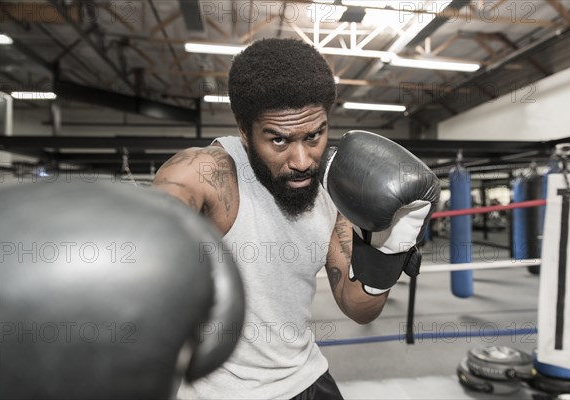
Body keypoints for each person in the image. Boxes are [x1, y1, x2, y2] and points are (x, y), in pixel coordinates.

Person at [153, 38, 439, 400]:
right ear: (244, 129)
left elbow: (358, 308)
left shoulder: (331, 190)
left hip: (307, 377)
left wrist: (392, 247)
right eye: (279, 140)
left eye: (314, 135)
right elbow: (158, 213)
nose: (303, 160)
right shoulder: (209, 172)